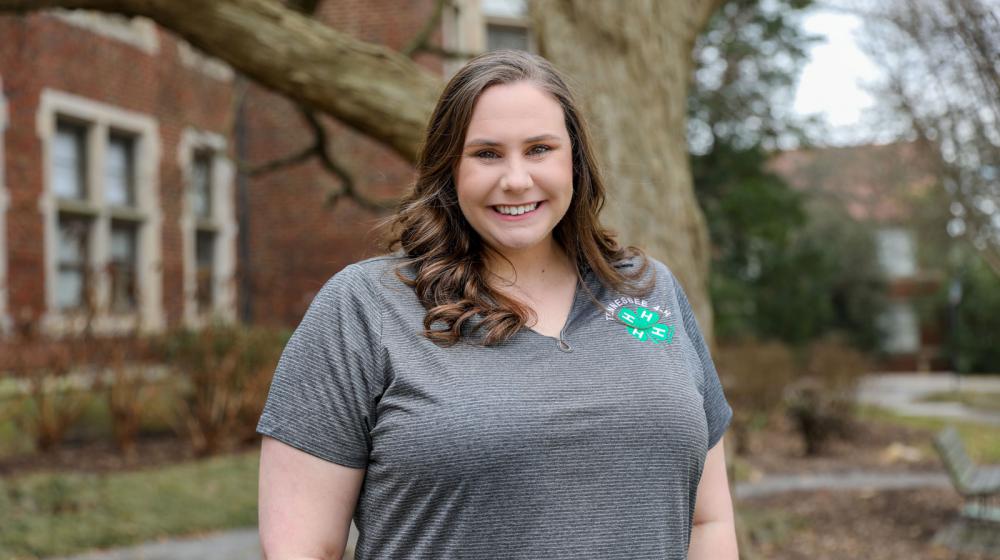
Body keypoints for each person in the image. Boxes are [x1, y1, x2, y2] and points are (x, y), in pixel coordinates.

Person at [256, 49, 736, 560]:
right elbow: (301, 548)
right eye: (486, 153)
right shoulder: (365, 308)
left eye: (539, 149)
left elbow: (708, 520)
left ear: (573, 159)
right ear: (448, 169)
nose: (516, 179)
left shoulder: (648, 294)